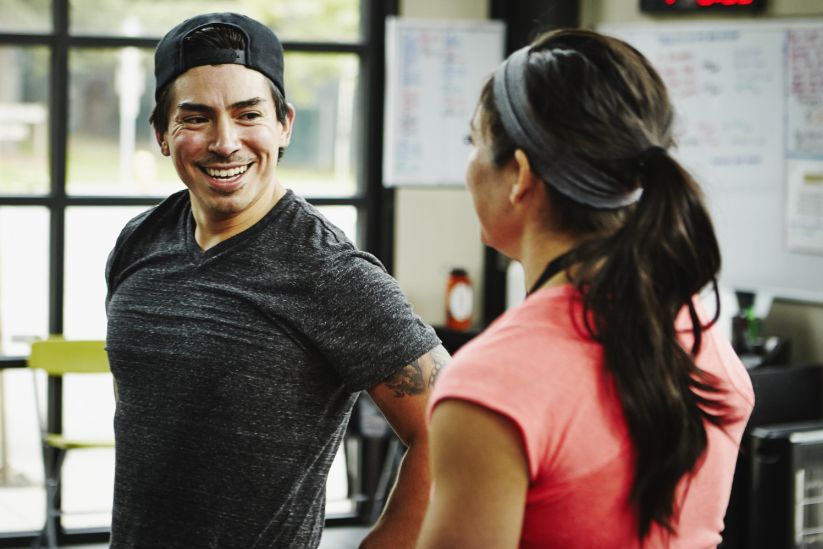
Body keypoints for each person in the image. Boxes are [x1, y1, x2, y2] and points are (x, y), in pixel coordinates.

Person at [105, 12, 449, 549]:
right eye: (196, 117)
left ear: (284, 124)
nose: (225, 142)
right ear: (162, 134)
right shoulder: (139, 241)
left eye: (248, 115)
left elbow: (448, 428)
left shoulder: (329, 270)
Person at [417, 29, 754, 548]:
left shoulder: (491, 385)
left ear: (520, 176)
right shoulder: (706, 348)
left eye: (474, 143)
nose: (469, 165)